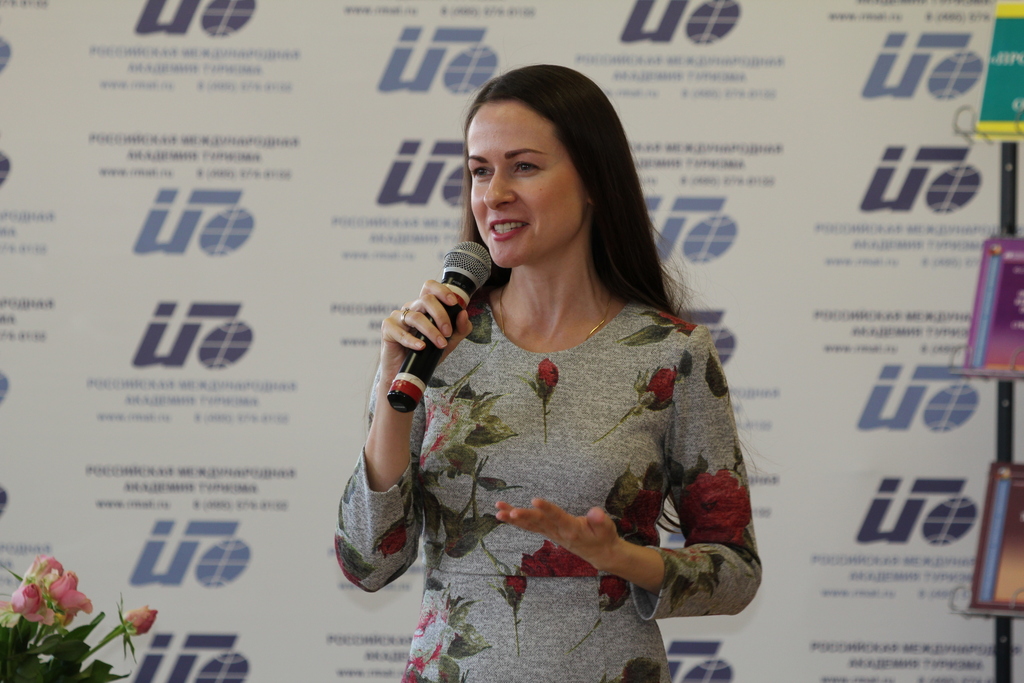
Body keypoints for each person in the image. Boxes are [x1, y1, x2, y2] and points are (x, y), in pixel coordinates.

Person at [336, 64, 761, 683]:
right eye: (480, 171)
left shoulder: (673, 353)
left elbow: (736, 572)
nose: (493, 194)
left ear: (593, 181)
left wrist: (622, 558)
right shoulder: (437, 343)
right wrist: (393, 392)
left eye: (524, 167)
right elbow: (367, 562)